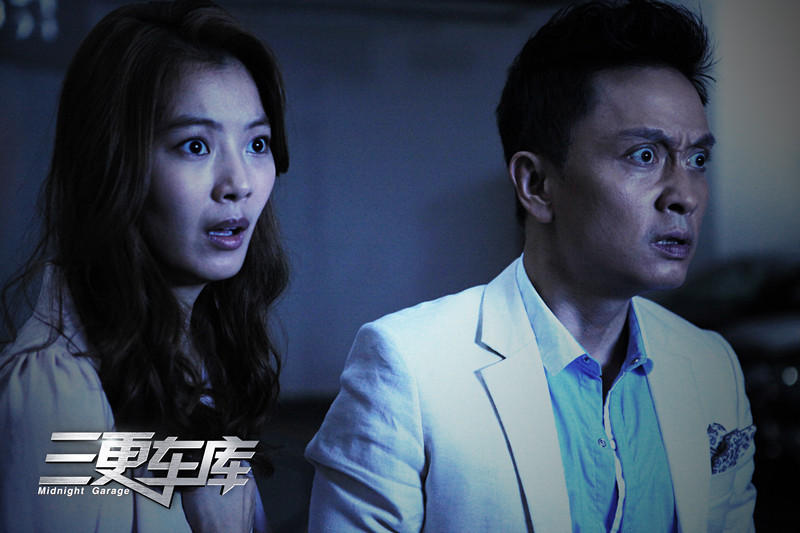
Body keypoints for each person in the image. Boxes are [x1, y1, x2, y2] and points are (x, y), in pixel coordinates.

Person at [305, 1, 756, 531]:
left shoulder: (711, 366)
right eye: (644, 155)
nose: (685, 195)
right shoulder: (407, 370)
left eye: (697, 159)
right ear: (537, 185)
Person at [0, 1, 289, 531]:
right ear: (114, 163)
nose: (240, 183)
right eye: (195, 145)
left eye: (257, 143)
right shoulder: (55, 390)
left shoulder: (194, 353)